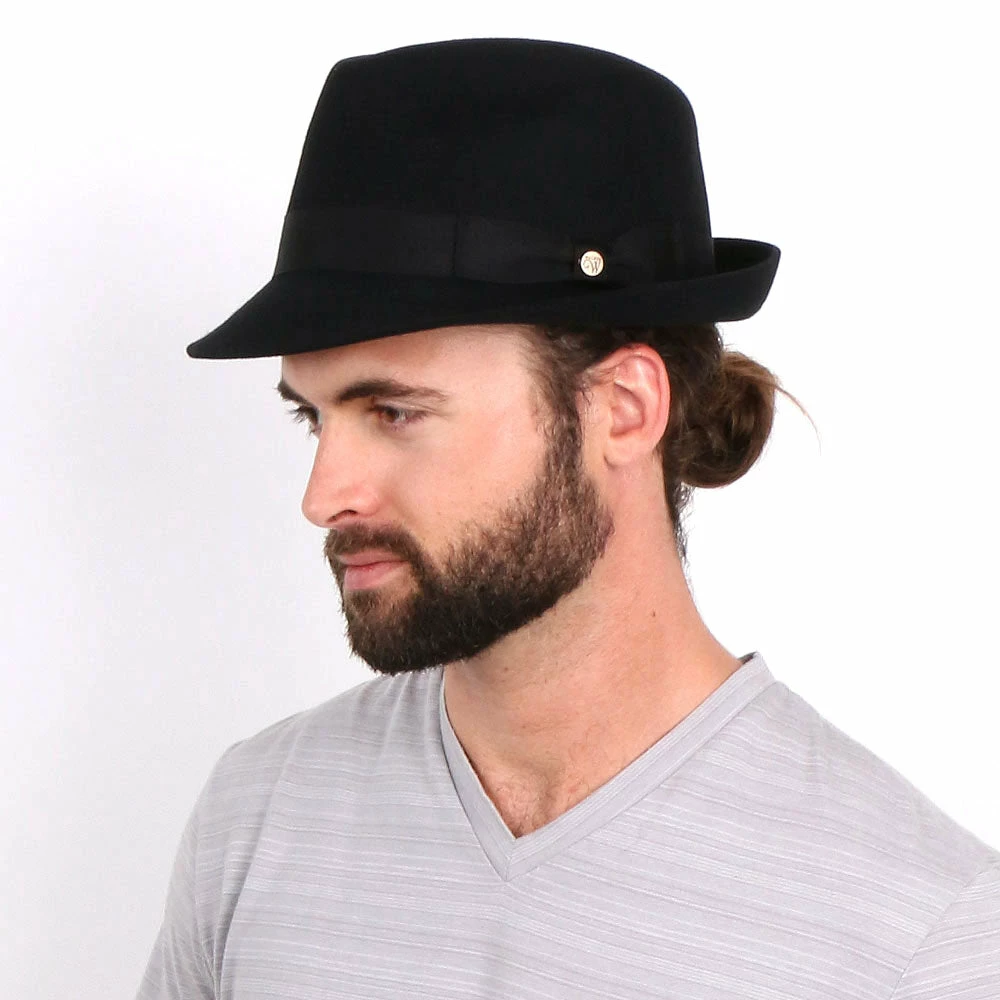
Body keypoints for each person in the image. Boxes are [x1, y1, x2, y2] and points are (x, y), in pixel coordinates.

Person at [136, 38, 999, 1000]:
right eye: (315, 417)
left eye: (394, 412)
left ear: (622, 409)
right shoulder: (257, 819)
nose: (322, 496)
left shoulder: (922, 933)